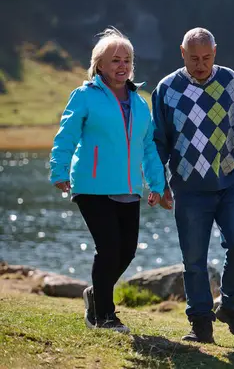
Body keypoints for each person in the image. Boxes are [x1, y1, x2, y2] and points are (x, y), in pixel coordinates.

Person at [49, 28, 164, 333]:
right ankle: (105, 316)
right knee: (109, 248)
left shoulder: (141, 102)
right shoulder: (85, 96)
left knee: (127, 251)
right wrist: (58, 170)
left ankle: (95, 294)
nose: (122, 65)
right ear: (99, 64)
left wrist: (157, 183)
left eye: (127, 60)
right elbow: (66, 135)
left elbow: (148, 147)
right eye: (115, 60)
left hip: (128, 187)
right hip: (92, 185)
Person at [152, 27, 234, 343]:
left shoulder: (229, 80)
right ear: (182, 53)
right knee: (194, 260)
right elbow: (159, 142)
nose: (201, 64)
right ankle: (200, 324)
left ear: (215, 53)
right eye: (194, 58)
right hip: (189, 188)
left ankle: (231, 307)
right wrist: (159, 184)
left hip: (230, 183)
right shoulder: (166, 89)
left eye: (206, 57)